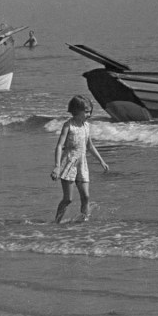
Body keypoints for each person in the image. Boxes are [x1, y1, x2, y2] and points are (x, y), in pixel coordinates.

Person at [50, 95, 109, 223]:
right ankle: (57, 222)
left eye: (90, 111)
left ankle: (84, 223)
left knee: (86, 196)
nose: (89, 114)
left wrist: (101, 161)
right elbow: (59, 146)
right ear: (76, 111)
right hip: (69, 164)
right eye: (86, 111)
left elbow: (90, 146)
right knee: (68, 199)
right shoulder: (68, 125)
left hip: (82, 165)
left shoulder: (86, 126)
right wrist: (57, 166)